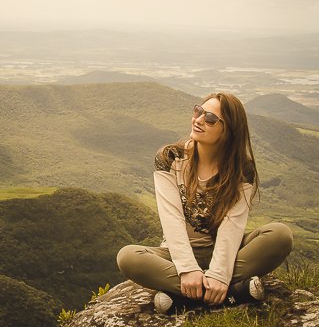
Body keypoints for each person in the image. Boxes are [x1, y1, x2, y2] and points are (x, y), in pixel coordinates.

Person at [117, 92, 293, 313]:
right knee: (127, 257)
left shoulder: (242, 170)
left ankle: (186, 297)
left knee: (280, 235)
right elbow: (172, 218)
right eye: (198, 111)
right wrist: (188, 269)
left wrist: (219, 273)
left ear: (227, 130)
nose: (199, 119)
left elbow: (232, 224)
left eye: (210, 118)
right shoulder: (170, 158)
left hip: (223, 253)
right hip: (175, 256)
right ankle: (232, 294)